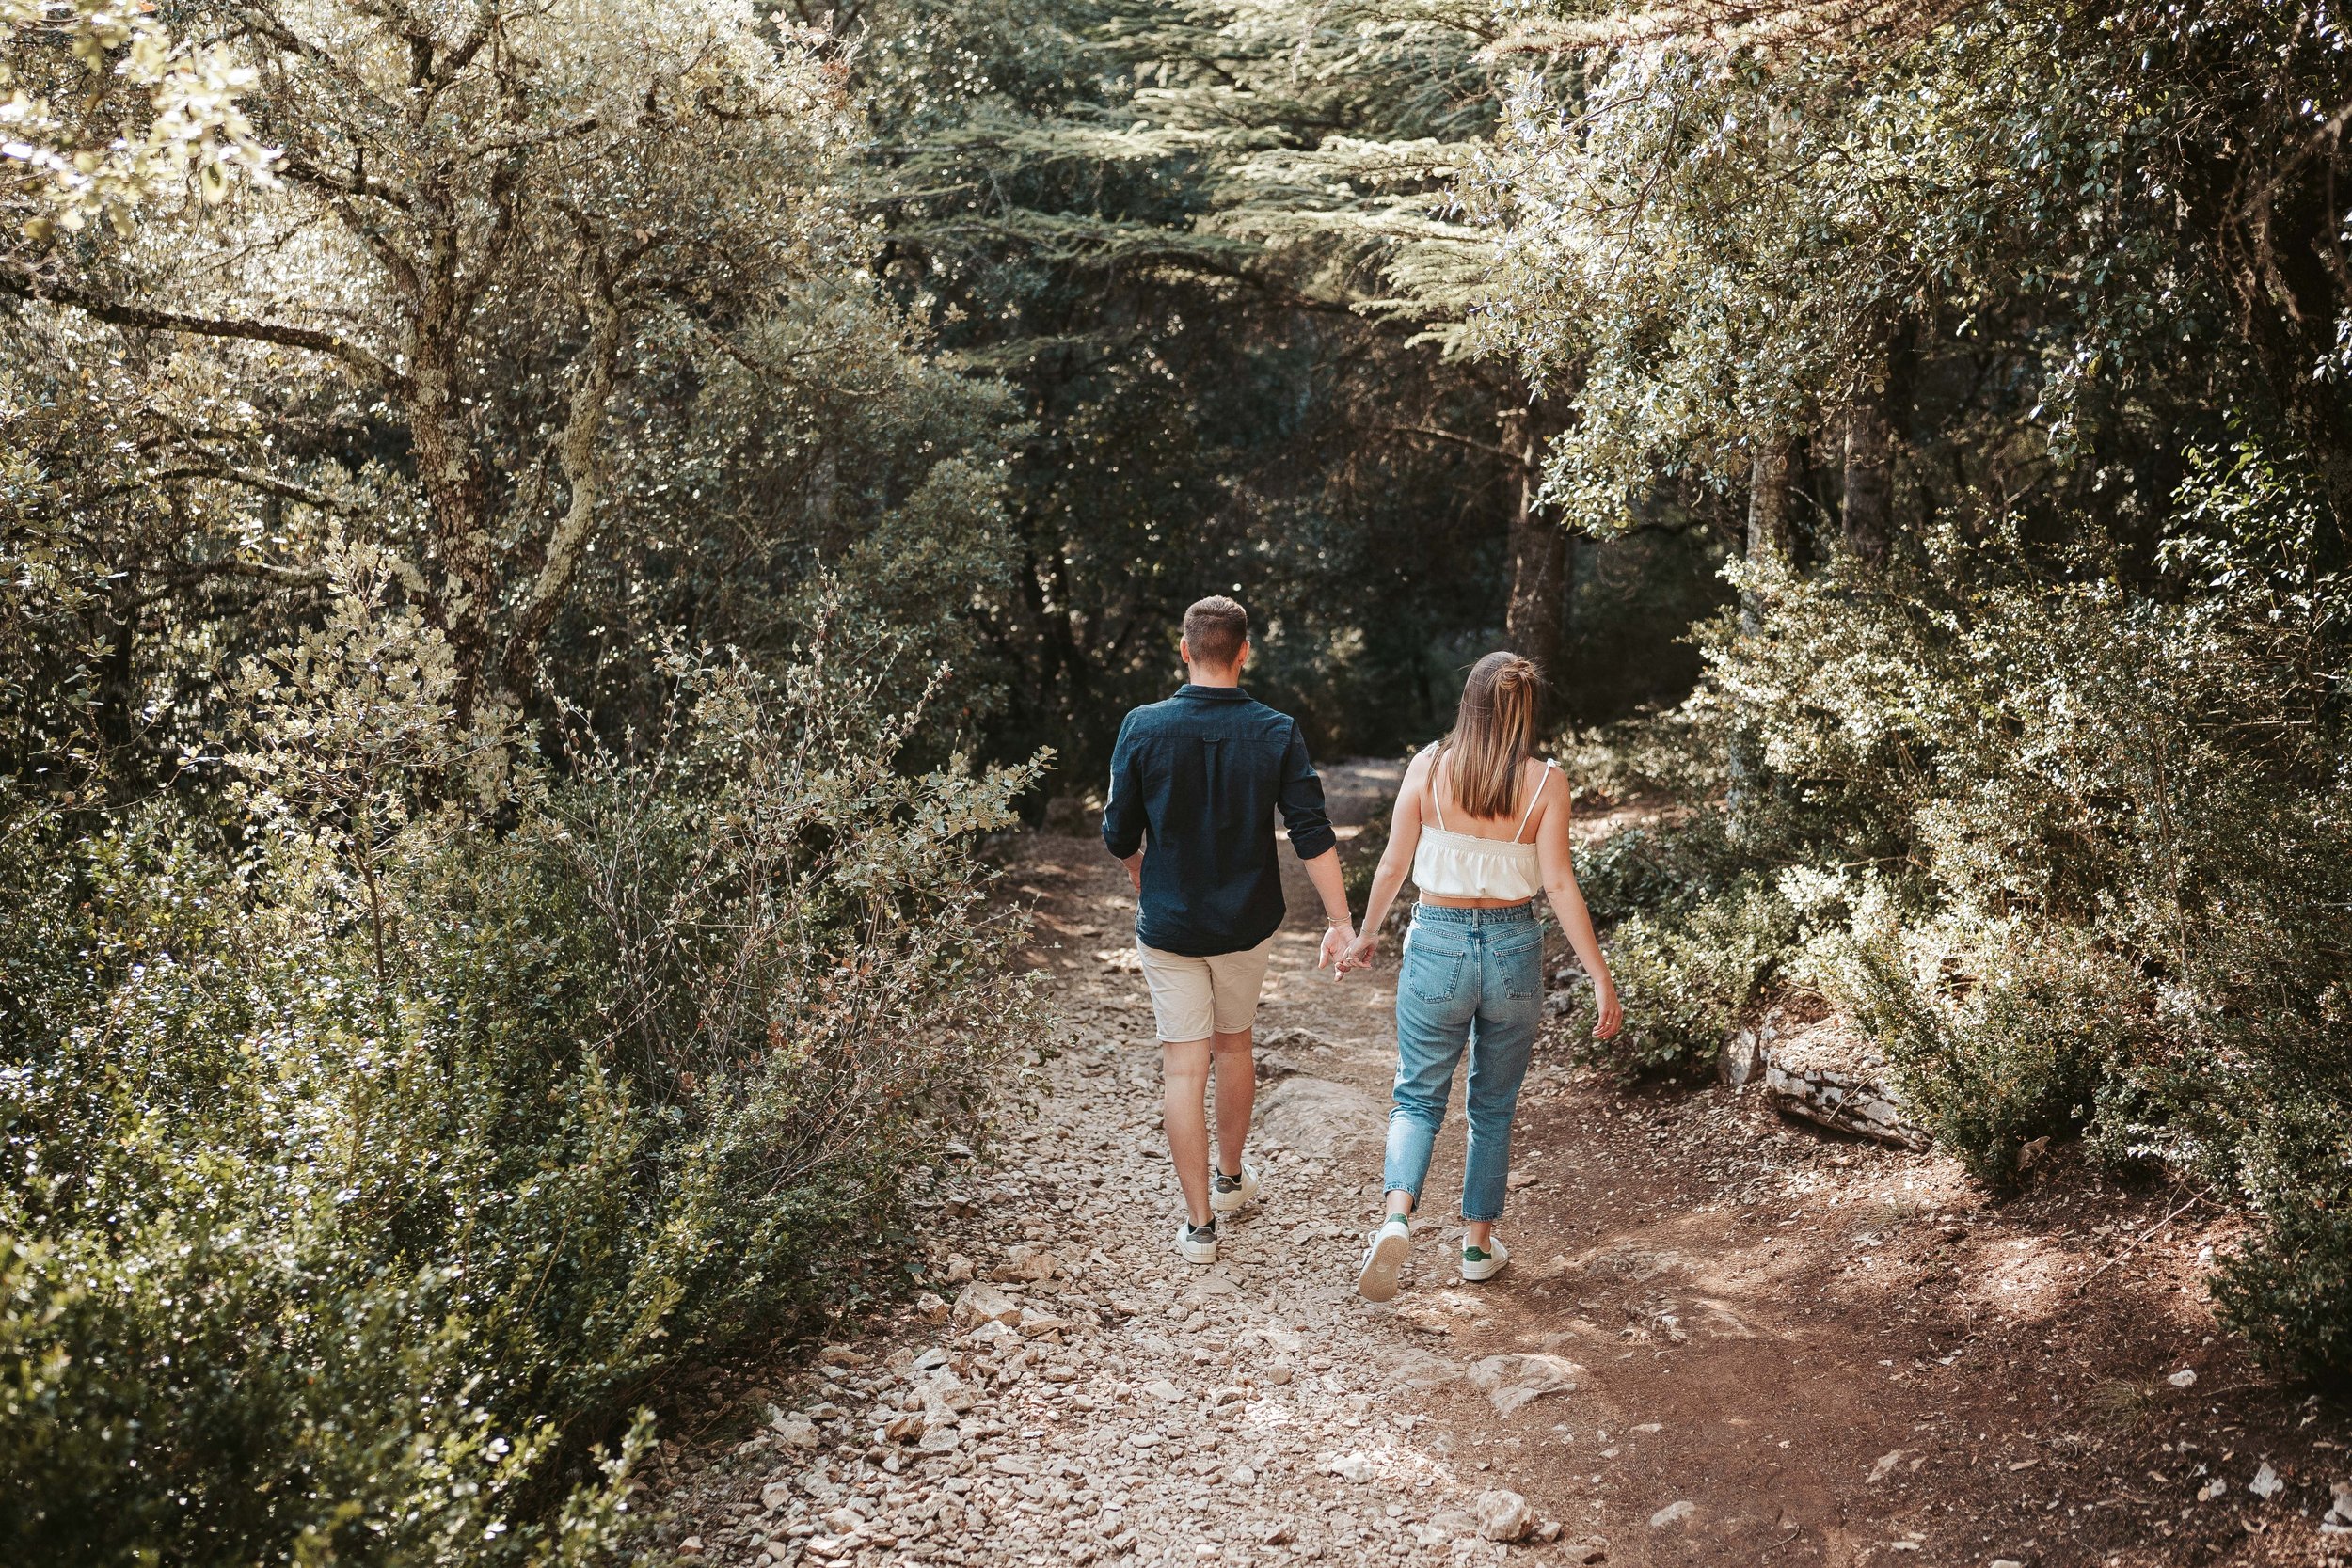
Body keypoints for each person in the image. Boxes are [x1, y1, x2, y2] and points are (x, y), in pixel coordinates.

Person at [1337, 651, 1622, 1301]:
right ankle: (1476, 1245)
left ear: (1469, 703)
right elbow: (1559, 884)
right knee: (1492, 1106)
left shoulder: (1428, 766)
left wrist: (1366, 933)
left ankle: (1396, 1218)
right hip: (1513, 946)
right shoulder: (1547, 783)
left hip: (1436, 939)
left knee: (1417, 1097)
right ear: (1524, 710)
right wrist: (1599, 975)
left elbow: (1392, 864)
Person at [1103, 595, 1357, 1265]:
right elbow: (1310, 830)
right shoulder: (1276, 730)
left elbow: (1118, 829)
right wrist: (1340, 921)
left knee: (1183, 1066)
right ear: (1245, 651)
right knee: (1234, 1042)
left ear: (1185, 650)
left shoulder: (1143, 725)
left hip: (1170, 924)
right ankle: (1232, 1178)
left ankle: (1199, 1228)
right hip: (1246, 922)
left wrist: (1138, 869)